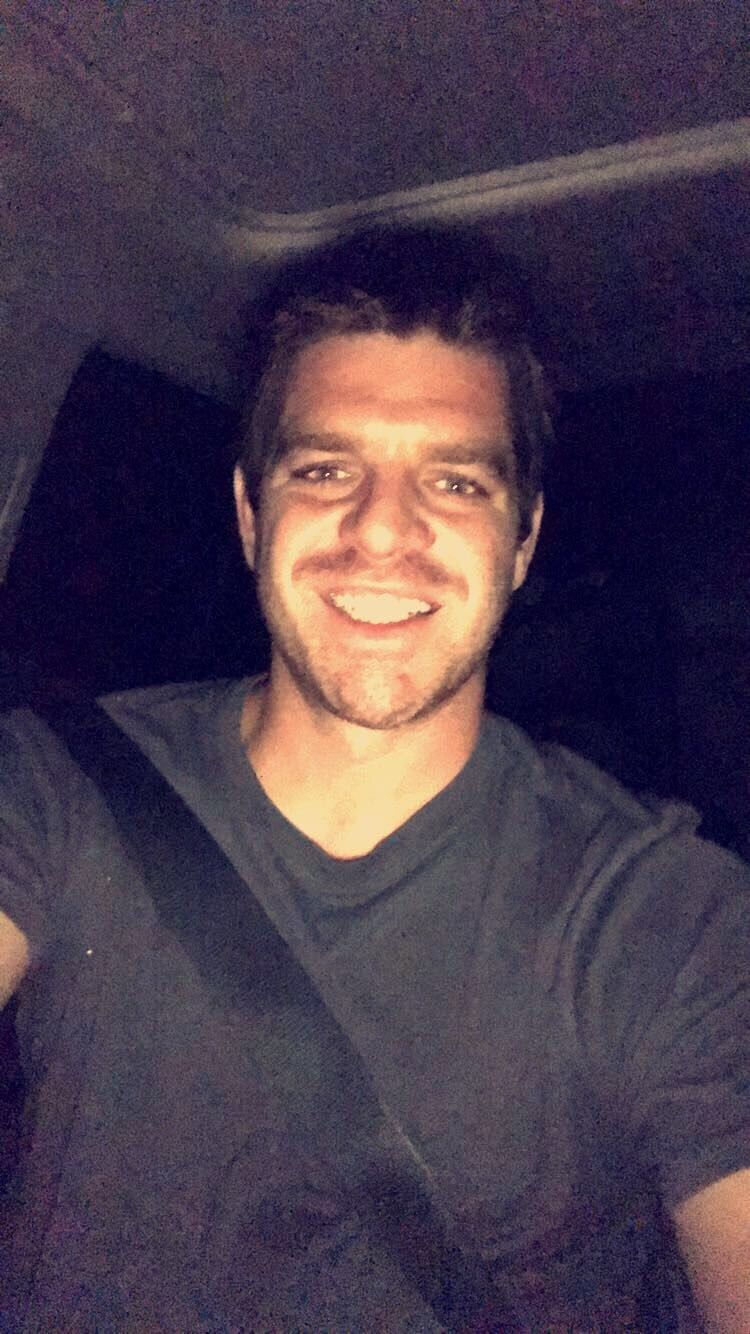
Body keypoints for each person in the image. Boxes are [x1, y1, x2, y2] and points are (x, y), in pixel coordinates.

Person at [0, 223, 748, 1330]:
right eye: (325, 469)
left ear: (523, 541)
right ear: (251, 514)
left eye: (454, 480)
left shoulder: (664, 916)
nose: (383, 529)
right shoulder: (57, 788)